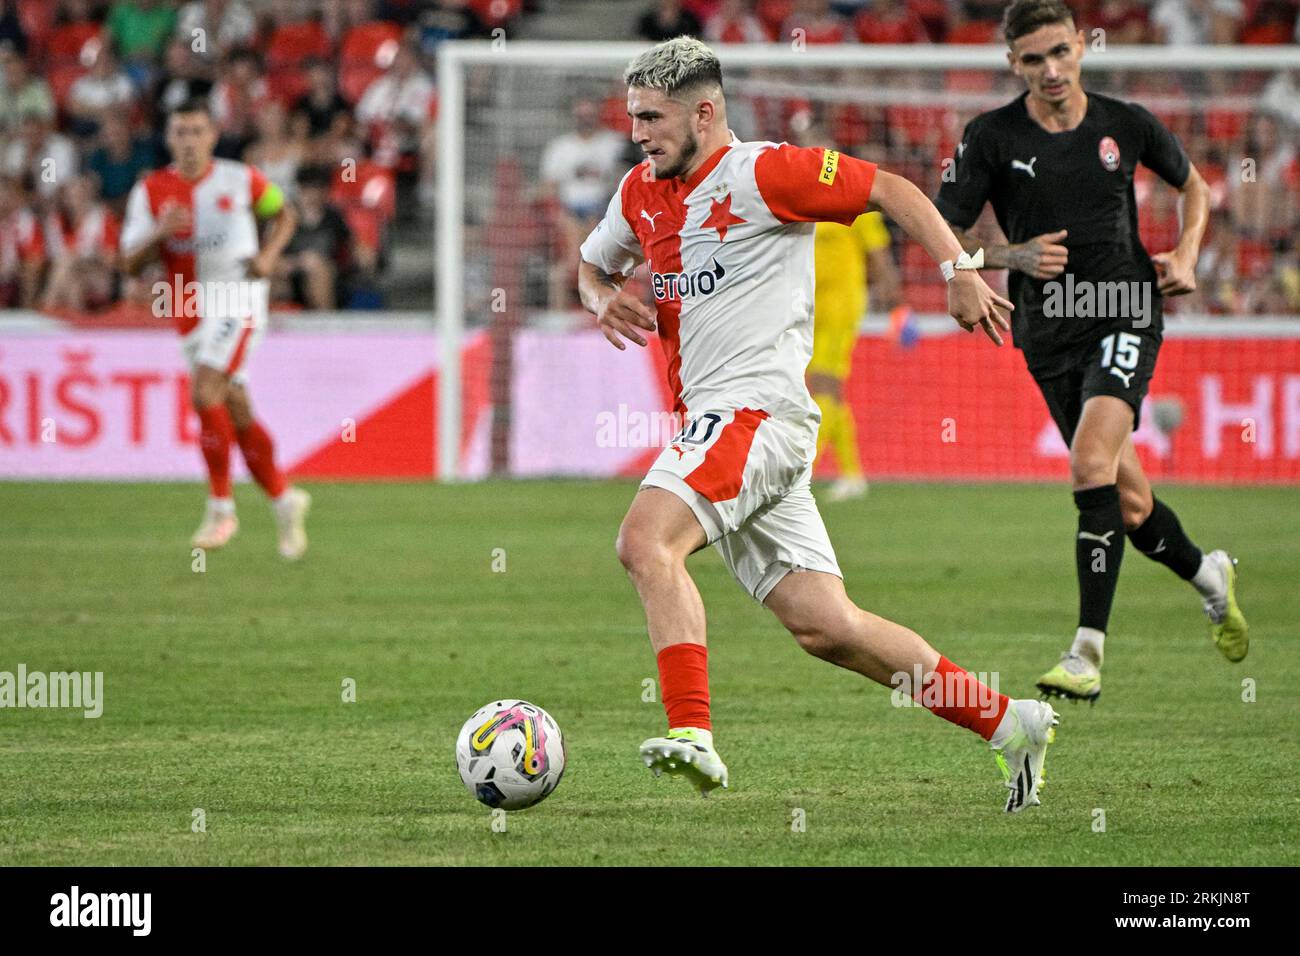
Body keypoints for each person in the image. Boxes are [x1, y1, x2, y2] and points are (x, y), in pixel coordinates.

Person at [578, 36, 1059, 813]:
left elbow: (893, 190)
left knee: (644, 542)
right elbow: (590, 263)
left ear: (705, 112)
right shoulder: (640, 190)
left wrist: (959, 270)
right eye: (633, 116)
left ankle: (693, 733)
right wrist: (603, 299)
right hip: (724, 426)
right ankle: (1010, 723)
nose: (637, 132)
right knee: (827, 626)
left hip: (756, 414)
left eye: (652, 117)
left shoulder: (767, 173)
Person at [935, 0, 1248, 704]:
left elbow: (1193, 186)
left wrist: (1189, 251)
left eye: (1061, 52)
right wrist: (1009, 254)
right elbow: (944, 234)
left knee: (1087, 463)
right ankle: (1209, 576)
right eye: (1034, 59)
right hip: (1047, 333)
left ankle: (1086, 651)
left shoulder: (1124, 124)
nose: (1051, 70)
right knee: (1130, 504)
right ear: (1012, 63)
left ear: (1081, 46)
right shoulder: (989, 137)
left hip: (1127, 312)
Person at [120, 98, 311, 559]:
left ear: (213, 135)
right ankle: (285, 500)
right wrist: (159, 235)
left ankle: (221, 507)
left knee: (205, 392)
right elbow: (129, 264)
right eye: (180, 132)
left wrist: (268, 257)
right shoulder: (151, 191)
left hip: (239, 298)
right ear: (169, 138)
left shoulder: (240, 179)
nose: (188, 140)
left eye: (197, 131)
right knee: (234, 407)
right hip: (187, 307)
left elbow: (285, 213)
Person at [810, 206, 900, 501]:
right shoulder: (804, 200)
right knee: (828, 391)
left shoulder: (857, 204)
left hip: (841, 304)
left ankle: (803, 470)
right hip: (810, 306)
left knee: (822, 382)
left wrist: (894, 299)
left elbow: (879, 252)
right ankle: (852, 474)